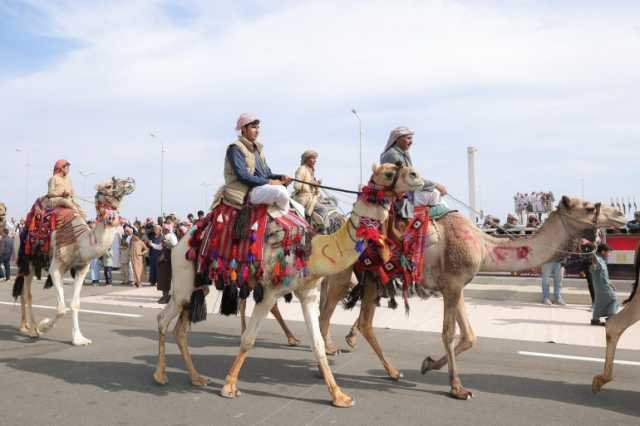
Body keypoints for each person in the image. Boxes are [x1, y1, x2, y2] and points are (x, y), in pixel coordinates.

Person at [219, 113, 300, 214]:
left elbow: (267, 174)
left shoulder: (257, 149)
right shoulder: (235, 148)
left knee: (298, 206)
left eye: (258, 127)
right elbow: (243, 176)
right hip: (246, 190)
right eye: (253, 127)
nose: (257, 131)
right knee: (281, 192)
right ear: (243, 129)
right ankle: (280, 223)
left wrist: (281, 177)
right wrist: (269, 182)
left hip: (261, 187)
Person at [379, 126, 446, 219]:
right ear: (397, 139)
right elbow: (411, 179)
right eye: (408, 138)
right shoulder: (393, 155)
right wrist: (435, 185)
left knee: (435, 194)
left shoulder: (402, 153)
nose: (411, 142)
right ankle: (423, 224)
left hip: (407, 191)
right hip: (400, 196)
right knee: (435, 193)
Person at [590, 243, 619, 325]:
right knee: (613, 300)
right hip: (604, 288)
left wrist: (611, 284)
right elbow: (594, 266)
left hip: (600, 288)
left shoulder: (602, 261)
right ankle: (610, 320)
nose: (609, 254)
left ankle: (595, 320)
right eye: (608, 252)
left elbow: (604, 276)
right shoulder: (598, 260)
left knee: (599, 303)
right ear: (603, 252)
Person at [154, 223, 178, 304]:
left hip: (168, 261)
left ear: (167, 229)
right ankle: (165, 296)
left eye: (164, 229)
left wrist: (167, 243)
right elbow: (160, 247)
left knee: (166, 280)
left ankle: (167, 297)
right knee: (162, 280)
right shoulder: (166, 236)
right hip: (164, 260)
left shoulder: (171, 236)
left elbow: (175, 247)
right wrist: (152, 244)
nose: (162, 230)